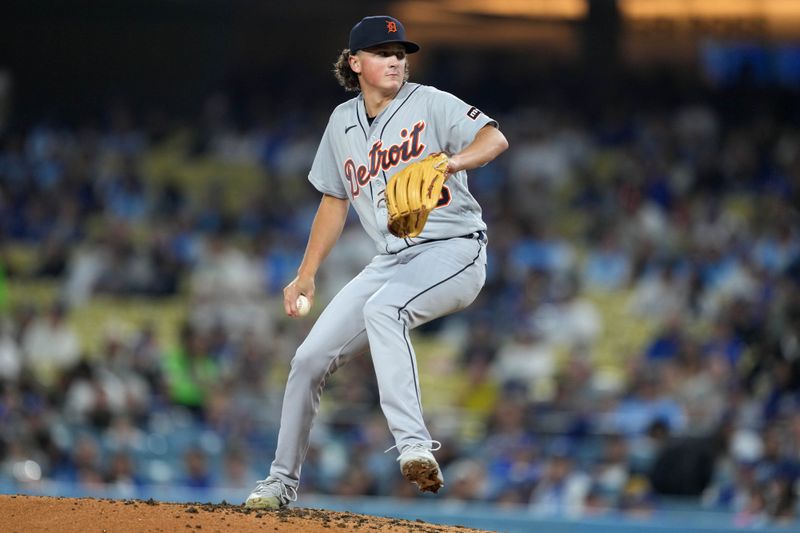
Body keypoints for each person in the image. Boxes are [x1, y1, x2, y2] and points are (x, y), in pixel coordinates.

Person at [245, 14, 508, 509]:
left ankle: (413, 447)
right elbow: (333, 201)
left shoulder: (430, 102)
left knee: (384, 310)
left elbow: (494, 139)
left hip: (454, 248)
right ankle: (280, 483)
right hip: (391, 260)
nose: (395, 61)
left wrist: (453, 161)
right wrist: (305, 275)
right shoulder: (341, 122)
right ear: (355, 62)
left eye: (400, 53)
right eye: (384, 53)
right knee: (307, 362)